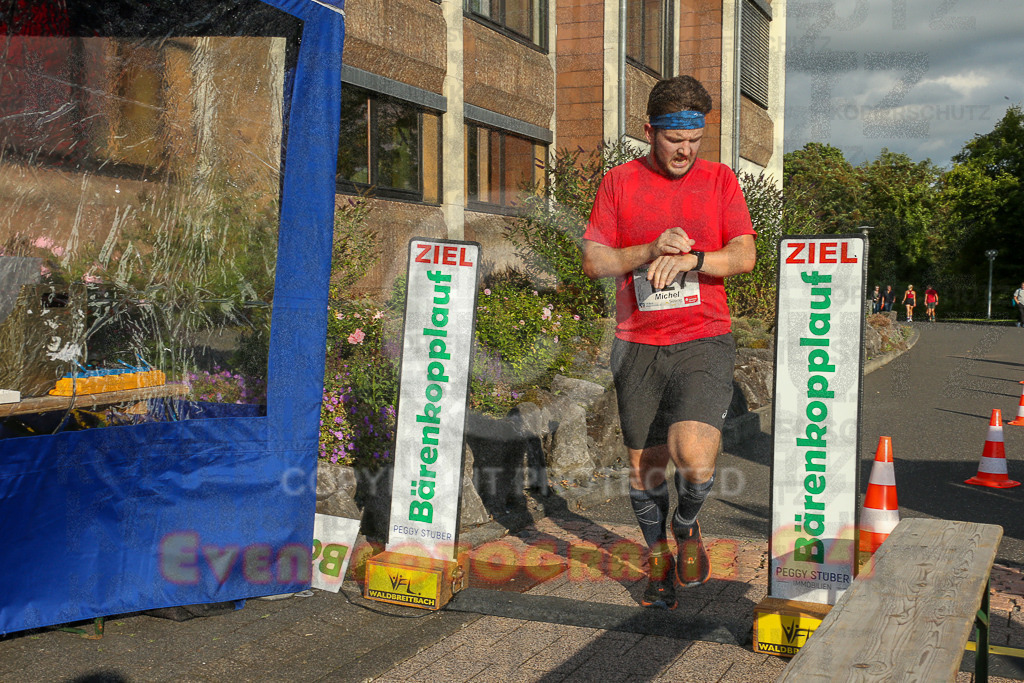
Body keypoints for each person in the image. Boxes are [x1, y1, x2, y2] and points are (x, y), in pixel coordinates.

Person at [581, 75, 756, 610]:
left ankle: (687, 524)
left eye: (695, 139)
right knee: (647, 467)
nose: (686, 150)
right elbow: (594, 261)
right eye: (675, 139)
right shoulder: (619, 183)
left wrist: (692, 260)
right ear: (649, 131)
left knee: (694, 458)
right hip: (637, 342)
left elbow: (744, 255)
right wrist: (651, 249)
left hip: (704, 336)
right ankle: (658, 557)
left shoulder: (720, 180)